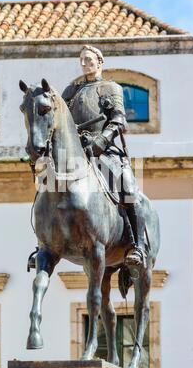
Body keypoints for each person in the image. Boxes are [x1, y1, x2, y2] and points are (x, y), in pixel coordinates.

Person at [62, 45, 147, 268]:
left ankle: (137, 246)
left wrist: (101, 141)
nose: (84, 64)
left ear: (100, 62)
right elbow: (61, 122)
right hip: (76, 152)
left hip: (105, 151)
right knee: (47, 183)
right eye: (81, 59)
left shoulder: (111, 88)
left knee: (128, 187)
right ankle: (44, 242)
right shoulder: (71, 91)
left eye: (88, 59)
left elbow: (119, 120)